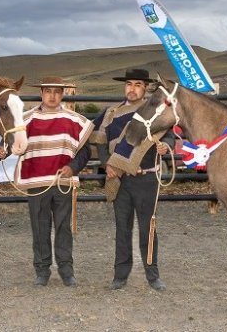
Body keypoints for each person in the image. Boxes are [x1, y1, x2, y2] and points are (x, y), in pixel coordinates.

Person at [0, 76, 94, 287]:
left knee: (63, 227)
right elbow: (9, 142)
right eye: (48, 91)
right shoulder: (26, 119)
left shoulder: (74, 120)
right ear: (41, 93)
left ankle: (67, 271)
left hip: (62, 181)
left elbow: (85, 151)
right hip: (36, 181)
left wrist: (73, 167)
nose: (52, 96)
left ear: (62, 94)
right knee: (40, 227)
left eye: (57, 92)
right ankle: (42, 270)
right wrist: (2, 152)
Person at [90, 68, 174, 291]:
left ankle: (152, 275)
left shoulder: (154, 112)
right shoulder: (111, 113)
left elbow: (171, 136)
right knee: (122, 228)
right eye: (129, 84)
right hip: (120, 179)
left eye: (138, 84)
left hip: (146, 178)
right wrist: (107, 164)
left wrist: (167, 146)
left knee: (149, 228)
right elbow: (100, 141)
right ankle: (120, 274)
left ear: (145, 88)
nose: (132, 89)